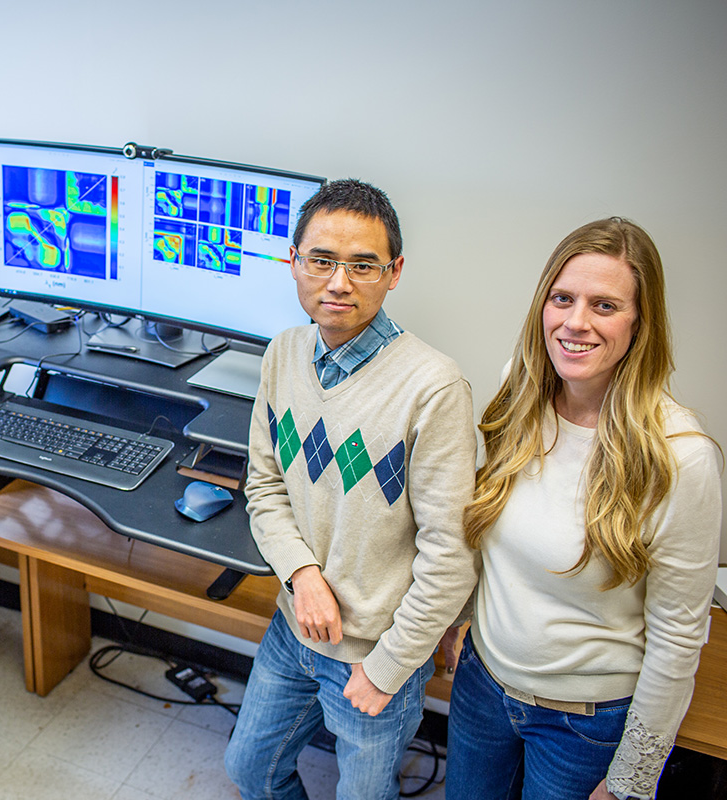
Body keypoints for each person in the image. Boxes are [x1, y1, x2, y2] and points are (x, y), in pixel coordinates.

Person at [444, 218, 721, 800]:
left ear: (641, 322)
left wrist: (629, 781)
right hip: (483, 686)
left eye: (605, 305)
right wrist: (461, 616)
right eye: (562, 298)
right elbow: (489, 529)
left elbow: (678, 636)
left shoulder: (679, 457)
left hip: (584, 724)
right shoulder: (520, 397)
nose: (576, 323)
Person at [224, 179, 479, 800]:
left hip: (376, 654)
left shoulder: (433, 388)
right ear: (294, 264)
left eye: (363, 265)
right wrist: (302, 577)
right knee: (249, 771)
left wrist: (389, 669)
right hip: (294, 629)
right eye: (322, 261)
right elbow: (264, 485)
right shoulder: (282, 353)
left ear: (393, 273)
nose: (339, 282)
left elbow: (452, 557)